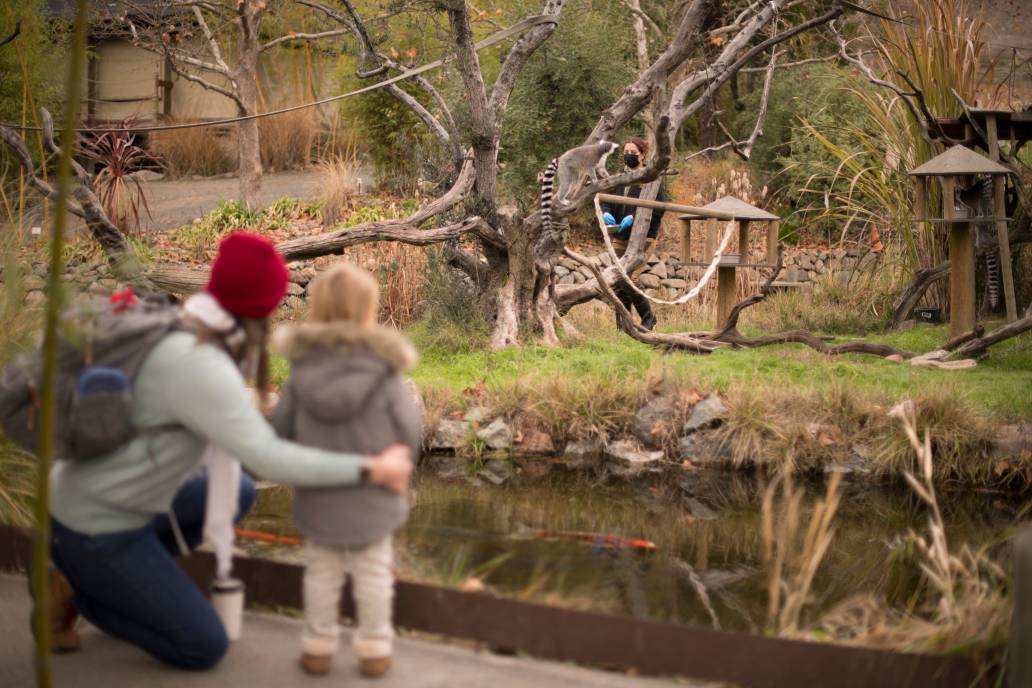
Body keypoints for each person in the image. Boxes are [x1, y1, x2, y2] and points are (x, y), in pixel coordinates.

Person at [45, 232, 412, 670]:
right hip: (96, 525)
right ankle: (83, 589)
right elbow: (269, 458)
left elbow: (263, 446)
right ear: (260, 311)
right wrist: (370, 467)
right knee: (202, 645)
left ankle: (130, 581)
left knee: (235, 489)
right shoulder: (201, 364)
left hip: (97, 500)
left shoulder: (183, 324)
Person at [271, 262, 421, 678]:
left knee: (321, 572)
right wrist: (401, 459)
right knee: (374, 572)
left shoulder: (302, 371)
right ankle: (374, 648)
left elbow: (281, 429)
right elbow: (408, 427)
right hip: (374, 498)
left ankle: (318, 646)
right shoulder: (383, 370)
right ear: (367, 311)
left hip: (319, 497)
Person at [601, 136, 669, 331]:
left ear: (643, 155)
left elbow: (658, 209)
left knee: (628, 278)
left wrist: (633, 218)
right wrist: (605, 211)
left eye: (633, 153)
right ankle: (623, 324)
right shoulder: (619, 177)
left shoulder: (650, 179)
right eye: (626, 153)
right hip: (620, 236)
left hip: (643, 238)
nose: (629, 156)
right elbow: (606, 198)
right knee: (617, 278)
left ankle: (648, 318)